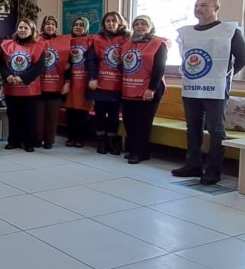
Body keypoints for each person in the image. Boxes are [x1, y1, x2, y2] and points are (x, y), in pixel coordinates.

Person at [172, 0, 245, 185]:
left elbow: (243, 58)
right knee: (193, 127)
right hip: (191, 86)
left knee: (216, 129)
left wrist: (223, 76)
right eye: (196, 5)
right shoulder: (187, 32)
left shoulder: (229, 31)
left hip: (216, 88)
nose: (199, 8)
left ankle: (214, 170)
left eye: (204, 5)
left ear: (216, 8)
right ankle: (193, 164)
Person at [121, 15, 168, 164]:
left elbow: (159, 67)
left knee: (143, 123)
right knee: (129, 121)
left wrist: (151, 88)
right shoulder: (128, 44)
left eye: (143, 24)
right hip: (129, 88)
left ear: (150, 26)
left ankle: (138, 153)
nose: (140, 26)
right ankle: (137, 150)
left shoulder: (158, 43)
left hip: (149, 89)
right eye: (136, 24)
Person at [0, 19, 45, 152]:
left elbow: (39, 67)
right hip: (12, 89)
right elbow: (2, 64)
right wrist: (8, 76)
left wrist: (22, 78)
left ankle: (28, 142)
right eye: (20, 27)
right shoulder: (7, 44)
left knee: (29, 117)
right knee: (13, 115)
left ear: (32, 31)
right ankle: (14, 141)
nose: (22, 30)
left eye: (26, 28)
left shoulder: (38, 46)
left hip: (30, 90)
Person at [86, 12, 129, 155]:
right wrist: (92, 77)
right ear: (104, 24)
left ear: (120, 23)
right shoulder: (97, 39)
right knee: (100, 113)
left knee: (114, 114)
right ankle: (101, 142)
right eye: (108, 21)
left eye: (113, 21)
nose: (111, 23)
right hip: (100, 83)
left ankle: (111, 141)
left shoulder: (127, 39)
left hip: (118, 84)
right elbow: (91, 60)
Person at [37, 15, 70, 149]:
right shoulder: (35, 39)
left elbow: (69, 63)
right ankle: (37, 139)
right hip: (38, 85)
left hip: (56, 85)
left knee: (52, 115)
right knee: (38, 115)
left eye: (53, 24)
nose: (50, 26)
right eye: (48, 24)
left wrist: (67, 81)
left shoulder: (64, 41)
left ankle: (49, 141)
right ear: (43, 26)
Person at [64, 17, 93, 148]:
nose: (78, 27)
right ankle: (71, 137)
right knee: (70, 111)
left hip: (84, 81)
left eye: (82, 25)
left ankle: (80, 138)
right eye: (76, 24)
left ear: (86, 27)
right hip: (70, 81)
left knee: (82, 111)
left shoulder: (91, 41)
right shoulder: (66, 41)